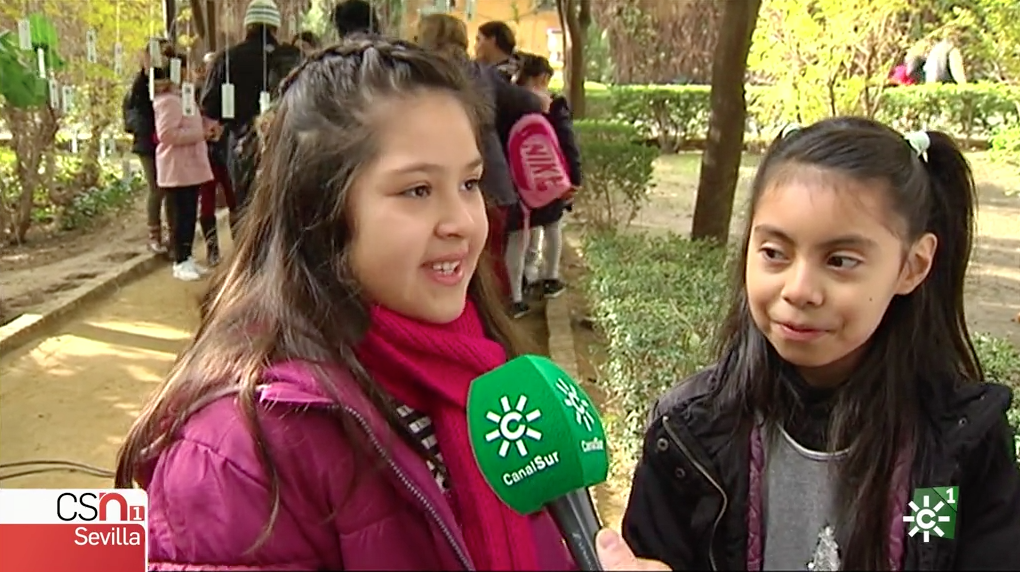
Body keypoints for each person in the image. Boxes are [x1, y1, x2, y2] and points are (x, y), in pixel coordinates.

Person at [117, 38, 574, 569]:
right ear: (322, 207)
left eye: (470, 183)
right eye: (418, 190)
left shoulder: (492, 375)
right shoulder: (239, 454)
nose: (463, 223)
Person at [621, 118, 1020, 570]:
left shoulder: (958, 446)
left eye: (840, 261)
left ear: (912, 266)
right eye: (774, 253)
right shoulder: (687, 436)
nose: (799, 290)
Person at [416, 14, 548, 305]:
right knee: (489, 269)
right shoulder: (482, 73)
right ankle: (492, 322)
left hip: (434, 187)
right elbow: (530, 103)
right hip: (491, 182)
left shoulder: (419, 76)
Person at [201, 0, 302, 217]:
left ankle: (248, 238)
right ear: (275, 27)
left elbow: (209, 107)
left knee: (246, 208)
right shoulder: (292, 57)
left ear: (247, 26)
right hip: (287, 141)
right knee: (285, 207)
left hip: (241, 143)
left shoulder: (227, 59)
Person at [505, 53, 581, 316]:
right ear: (542, 78)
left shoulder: (509, 103)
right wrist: (574, 179)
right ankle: (550, 277)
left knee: (517, 236)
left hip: (517, 182)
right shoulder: (554, 105)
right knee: (552, 226)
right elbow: (567, 142)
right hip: (549, 181)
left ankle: (515, 297)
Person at [152, 53, 217, 282]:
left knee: (189, 214)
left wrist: (207, 128)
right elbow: (167, 134)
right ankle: (179, 261)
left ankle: (187, 257)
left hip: (190, 165)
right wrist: (200, 134)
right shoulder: (168, 101)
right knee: (178, 216)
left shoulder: (182, 97)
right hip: (177, 167)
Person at [123, 38, 171, 255]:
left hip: (167, 139)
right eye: (159, 54)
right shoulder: (142, 81)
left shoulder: (170, 77)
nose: (162, 58)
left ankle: (172, 234)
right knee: (157, 188)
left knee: (169, 188)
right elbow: (138, 102)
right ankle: (154, 235)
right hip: (147, 142)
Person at [193, 51, 236, 266]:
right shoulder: (196, 91)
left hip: (226, 147)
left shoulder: (230, 86)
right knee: (207, 200)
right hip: (205, 150)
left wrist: (223, 129)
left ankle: (239, 245)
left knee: (234, 197)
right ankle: (212, 249)